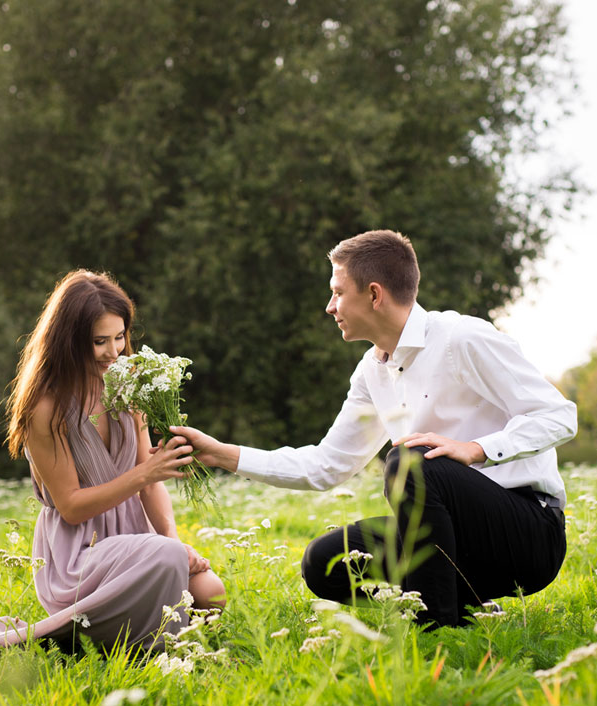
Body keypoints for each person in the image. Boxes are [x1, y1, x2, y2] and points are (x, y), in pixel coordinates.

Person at [171, 230, 575, 628]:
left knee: (410, 461)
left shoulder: (462, 338)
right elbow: (326, 464)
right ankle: (470, 606)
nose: (330, 307)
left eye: (337, 292)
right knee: (325, 562)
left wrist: (476, 449)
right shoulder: (371, 370)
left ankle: (435, 628)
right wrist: (220, 453)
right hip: (456, 541)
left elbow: (558, 416)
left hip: (528, 534)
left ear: (374, 294)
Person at [0, 270, 225, 653]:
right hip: (78, 556)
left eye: (120, 337)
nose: (114, 352)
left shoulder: (128, 386)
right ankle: (112, 645)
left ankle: (144, 642)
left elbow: (151, 483)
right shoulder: (45, 408)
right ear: (69, 341)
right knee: (169, 562)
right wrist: (147, 475)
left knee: (210, 592)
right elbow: (72, 507)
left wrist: (175, 545)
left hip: (135, 541)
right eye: (99, 341)